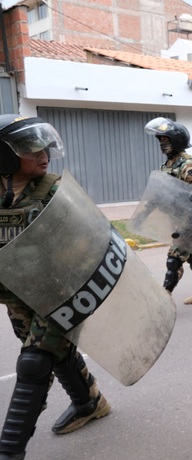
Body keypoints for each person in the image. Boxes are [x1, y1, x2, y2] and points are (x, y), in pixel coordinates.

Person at [0, 115, 110, 459]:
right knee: (57, 355)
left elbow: (89, 244)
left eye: (44, 145)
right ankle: (89, 402)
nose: (43, 153)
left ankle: (9, 451)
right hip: (18, 297)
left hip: (59, 294)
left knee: (34, 363)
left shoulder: (53, 190)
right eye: (30, 148)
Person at [144, 117, 192, 304]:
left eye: (165, 140)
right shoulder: (166, 166)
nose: (161, 144)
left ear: (177, 140)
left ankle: (163, 299)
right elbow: (158, 195)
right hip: (175, 219)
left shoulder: (189, 165)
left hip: (189, 220)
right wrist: (142, 215)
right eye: (159, 140)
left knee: (174, 258)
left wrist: (186, 227)